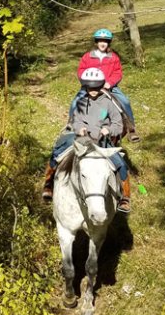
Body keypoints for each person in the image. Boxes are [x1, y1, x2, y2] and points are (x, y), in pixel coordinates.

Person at [43, 67, 131, 213]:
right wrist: (79, 128)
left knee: (120, 164)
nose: (93, 90)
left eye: (96, 87)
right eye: (90, 87)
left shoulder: (108, 103)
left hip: (102, 141)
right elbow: (75, 121)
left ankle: (125, 197)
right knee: (58, 152)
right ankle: (48, 183)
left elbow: (118, 124)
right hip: (81, 138)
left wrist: (108, 130)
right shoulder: (81, 102)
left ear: (101, 85)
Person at [68, 28, 139, 142]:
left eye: (105, 41)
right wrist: (87, 83)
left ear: (108, 43)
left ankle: (131, 129)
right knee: (75, 102)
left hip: (108, 87)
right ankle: (70, 125)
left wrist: (109, 83)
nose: (103, 43)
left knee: (124, 101)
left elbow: (117, 72)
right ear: (96, 42)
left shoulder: (113, 57)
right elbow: (81, 71)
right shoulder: (87, 56)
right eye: (100, 41)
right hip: (89, 86)